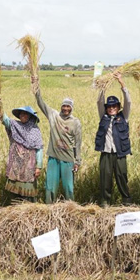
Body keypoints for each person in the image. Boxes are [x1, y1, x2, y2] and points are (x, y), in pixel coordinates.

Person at [32, 75, 82, 203]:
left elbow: (78, 143)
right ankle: (50, 208)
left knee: (68, 188)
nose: (65, 108)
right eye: (64, 106)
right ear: (61, 106)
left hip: (68, 160)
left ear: (71, 108)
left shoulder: (75, 122)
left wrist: (77, 161)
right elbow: (40, 103)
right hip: (53, 158)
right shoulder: (53, 115)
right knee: (50, 187)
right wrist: (36, 85)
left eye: (68, 106)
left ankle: (71, 209)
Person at [95, 72, 132, 207]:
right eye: (109, 107)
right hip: (106, 154)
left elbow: (128, 101)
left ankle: (126, 201)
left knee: (122, 177)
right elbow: (99, 101)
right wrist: (103, 86)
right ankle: (105, 203)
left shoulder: (124, 116)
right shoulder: (103, 117)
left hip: (120, 154)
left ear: (118, 107)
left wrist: (121, 83)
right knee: (105, 179)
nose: (111, 108)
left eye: (114, 106)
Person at [1, 105, 44, 202]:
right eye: (21, 114)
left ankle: (27, 210)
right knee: (14, 190)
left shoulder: (35, 130)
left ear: (30, 116)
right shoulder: (14, 125)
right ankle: (15, 209)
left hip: (29, 164)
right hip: (15, 163)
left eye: (25, 114)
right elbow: (4, 119)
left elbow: (39, 149)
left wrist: (39, 167)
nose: (22, 116)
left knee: (28, 190)